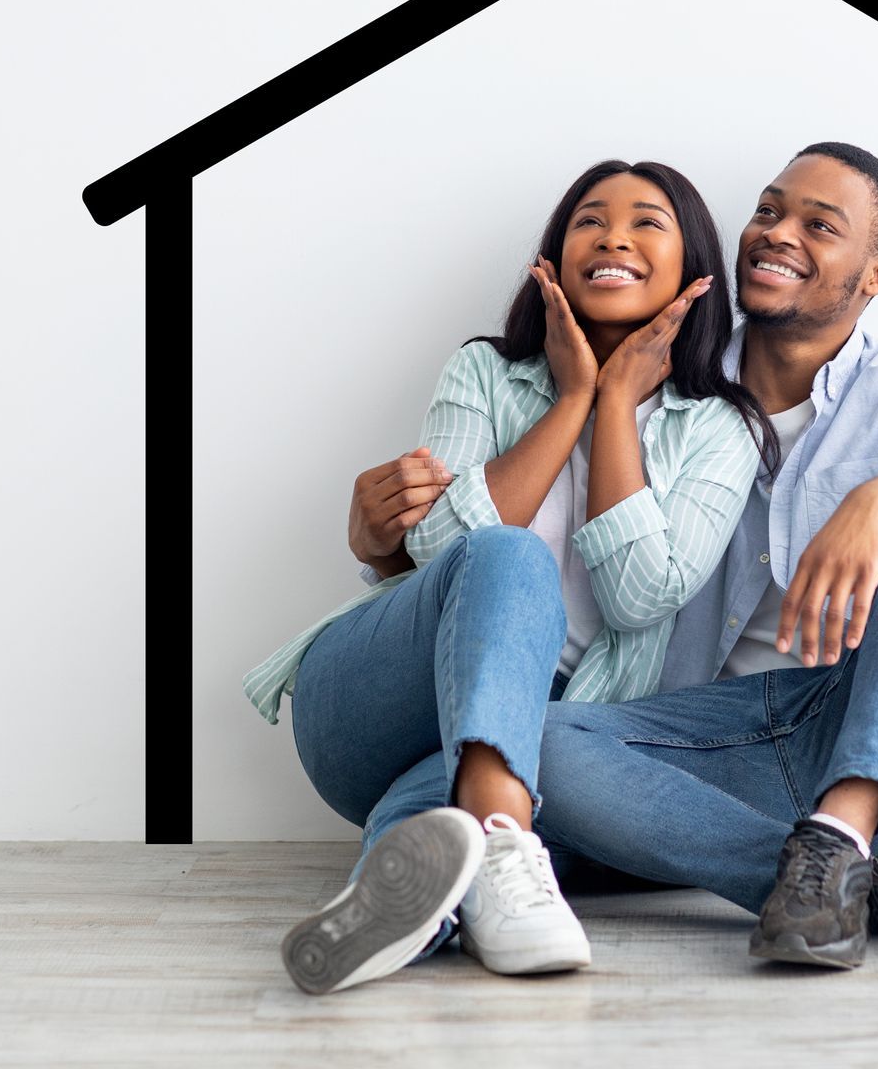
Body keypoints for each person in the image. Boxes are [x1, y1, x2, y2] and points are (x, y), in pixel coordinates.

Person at [352, 142, 878, 971]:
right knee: (532, 738)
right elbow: (546, 555)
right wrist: (388, 556)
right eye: (770, 210)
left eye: (820, 225)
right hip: (707, 753)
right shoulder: (675, 375)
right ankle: (864, 887)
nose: (780, 234)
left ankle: (843, 834)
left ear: (876, 276)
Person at [241, 159, 778, 995]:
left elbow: (643, 595)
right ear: (555, 259)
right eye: (590, 221)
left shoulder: (723, 427)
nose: (613, 237)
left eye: (647, 223)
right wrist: (572, 401)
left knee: (442, 802)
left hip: (536, 735)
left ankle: (423, 905)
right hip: (372, 700)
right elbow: (433, 551)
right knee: (509, 552)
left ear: (692, 273)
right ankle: (504, 839)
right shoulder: (484, 373)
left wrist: (616, 410)